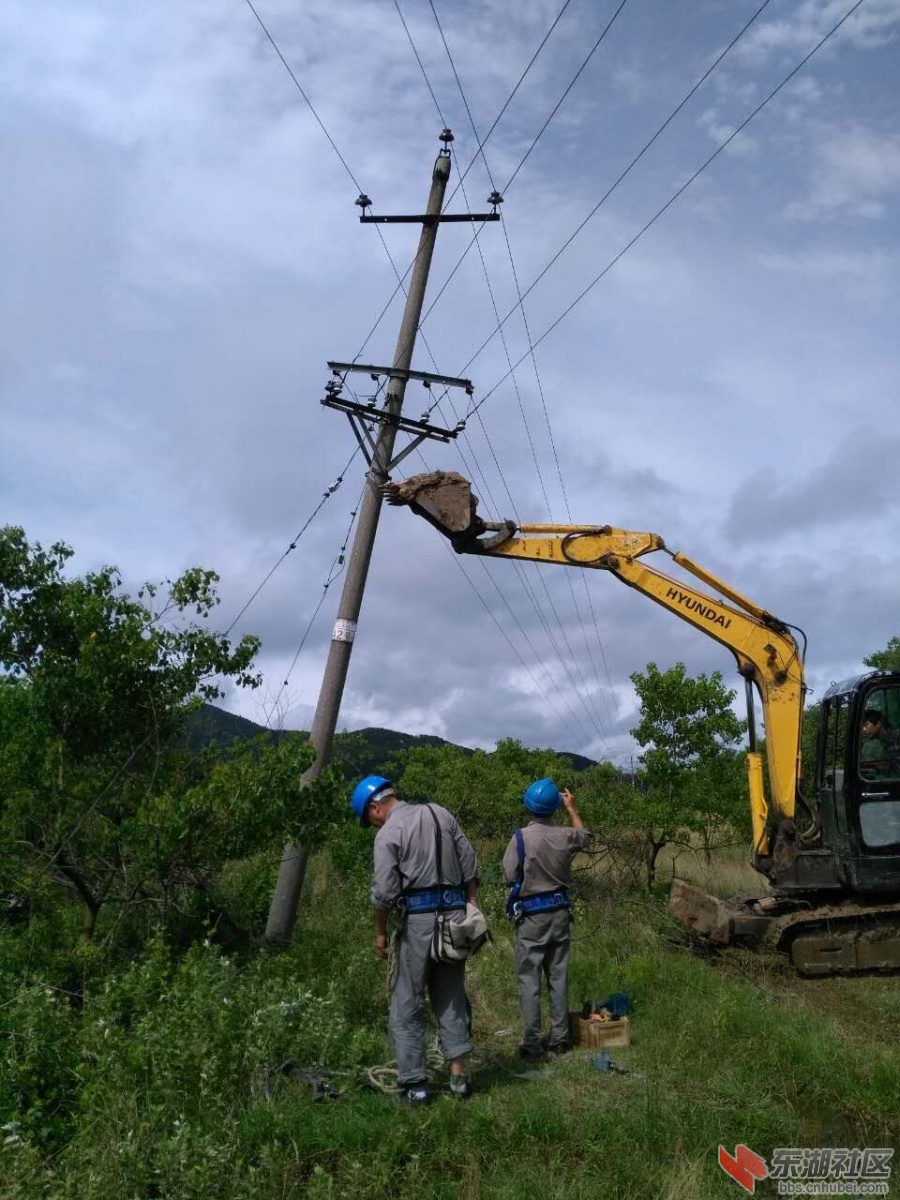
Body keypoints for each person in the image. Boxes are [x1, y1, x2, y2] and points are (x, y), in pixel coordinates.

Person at [350, 774, 480, 1104]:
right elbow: (471, 864)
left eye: (369, 818)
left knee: (406, 1003)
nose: (374, 824)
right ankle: (458, 1079)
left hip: (418, 925)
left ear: (375, 807)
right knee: (451, 998)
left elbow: (384, 895)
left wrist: (380, 931)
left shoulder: (388, 834)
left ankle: (416, 1085)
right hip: (455, 919)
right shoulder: (440, 812)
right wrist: (471, 904)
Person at [502, 778, 592, 1060]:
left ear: (528, 805)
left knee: (529, 980)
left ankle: (531, 1044)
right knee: (558, 975)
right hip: (560, 912)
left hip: (531, 917)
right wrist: (572, 809)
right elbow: (585, 836)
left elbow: (508, 875)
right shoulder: (566, 835)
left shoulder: (520, 838)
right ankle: (561, 1039)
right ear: (555, 807)